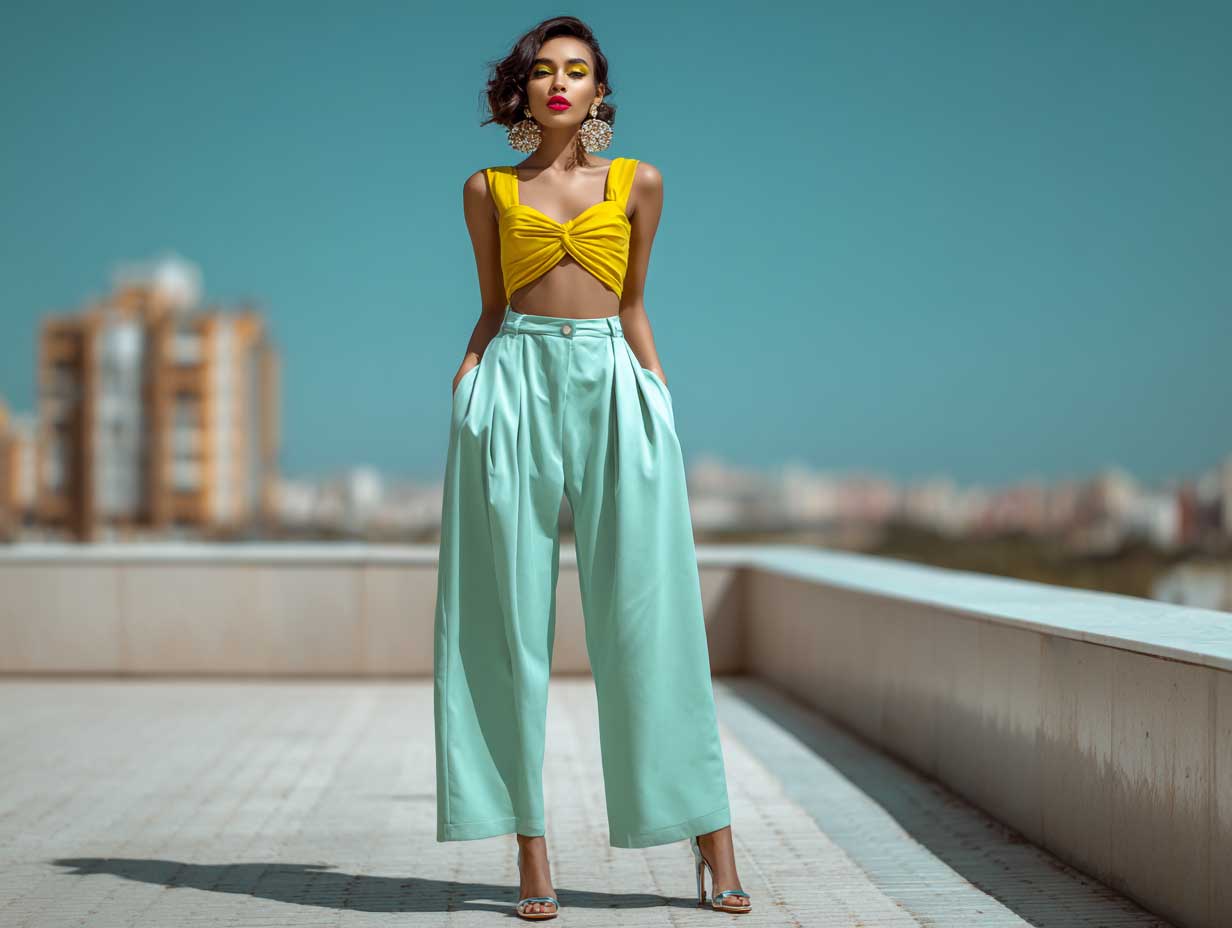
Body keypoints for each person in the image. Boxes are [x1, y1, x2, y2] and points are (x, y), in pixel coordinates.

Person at [433, 15, 751, 920]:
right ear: (523, 91)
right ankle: (530, 850)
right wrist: (466, 385)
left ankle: (710, 832)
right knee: (502, 626)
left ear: (600, 91)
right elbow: (491, 306)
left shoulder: (638, 182)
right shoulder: (486, 190)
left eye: (577, 71)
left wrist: (657, 395)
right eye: (543, 72)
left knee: (652, 615)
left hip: (616, 380)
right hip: (514, 384)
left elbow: (636, 299)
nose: (560, 84)